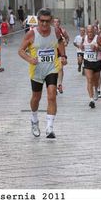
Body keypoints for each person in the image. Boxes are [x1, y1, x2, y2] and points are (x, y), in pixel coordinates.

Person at [18, 8, 67, 139]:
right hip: (37, 70)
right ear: (38, 20)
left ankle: (49, 127)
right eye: (42, 21)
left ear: (51, 20)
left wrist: (63, 56)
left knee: (52, 95)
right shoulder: (31, 34)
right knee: (36, 98)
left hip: (52, 68)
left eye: (47, 21)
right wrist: (29, 59)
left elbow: (61, 42)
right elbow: (21, 51)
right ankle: (34, 120)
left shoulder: (55, 31)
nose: (44, 24)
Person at [81, 25, 101, 108]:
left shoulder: (98, 38)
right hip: (87, 62)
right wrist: (81, 47)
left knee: (95, 80)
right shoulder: (84, 38)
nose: (90, 34)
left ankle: (96, 89)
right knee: (89, 80)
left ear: (94, 31)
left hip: (97, 62)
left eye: (91, 32)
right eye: (88, 32)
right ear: (86, 32)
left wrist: (97, 48)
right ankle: (91, 100)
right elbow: (82, 47)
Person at [53, 18, 70, 94]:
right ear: (53, 23)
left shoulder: (62, 31)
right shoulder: (50, 31)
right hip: (52, 52)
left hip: (60, 51)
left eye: (57, 22)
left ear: (59, 23)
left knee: (60, 68)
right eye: (55, 22)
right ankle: (54, 85)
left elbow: (67, 38)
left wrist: (66, 42)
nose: (56, 23)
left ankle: (59, 84)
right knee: (53, 70)